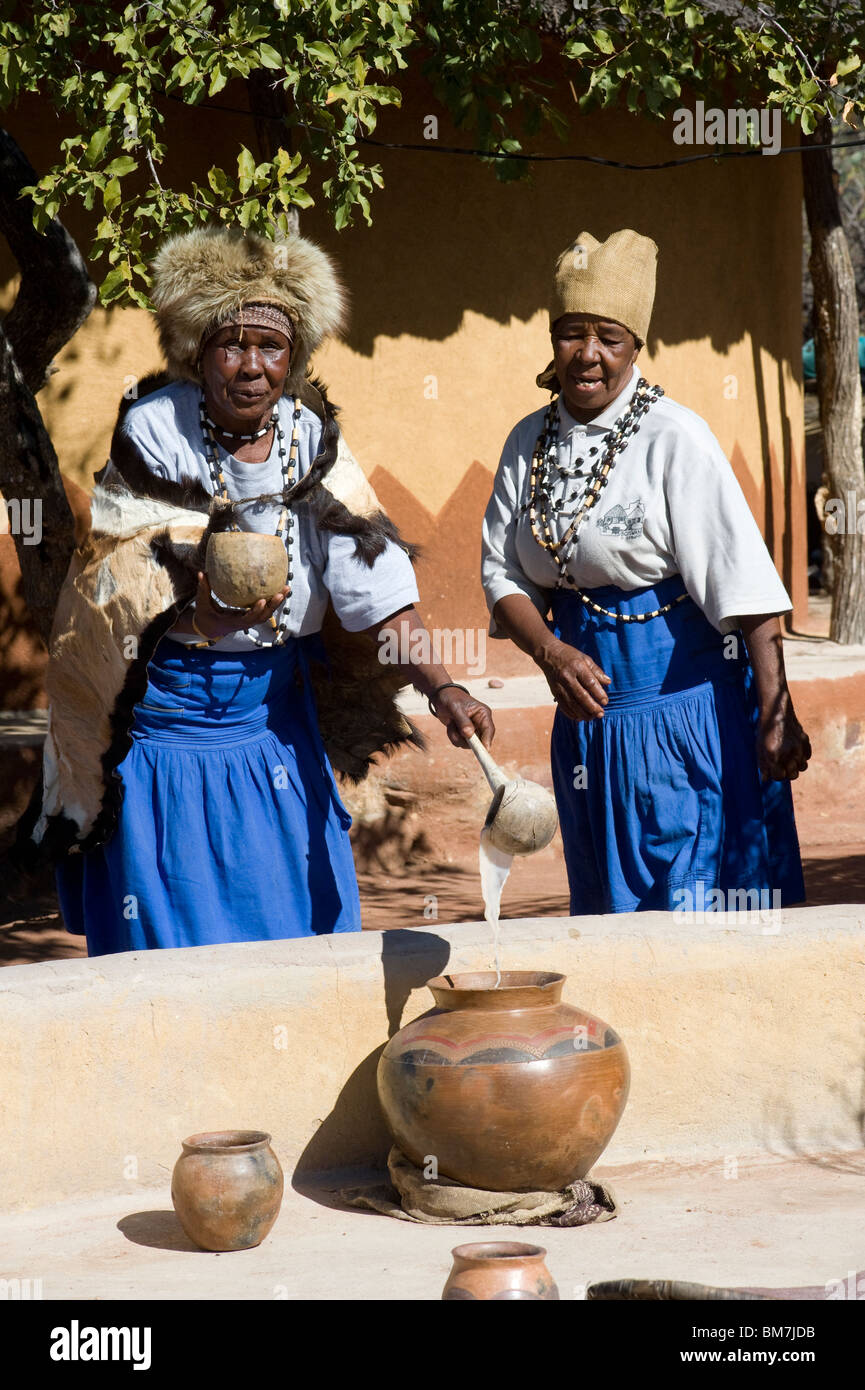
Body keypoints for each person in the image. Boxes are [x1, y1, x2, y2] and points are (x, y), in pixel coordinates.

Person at [34, 226, 493, 954]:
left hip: (275, 733)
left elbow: (374, 584)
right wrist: (201, 614)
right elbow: (123, 575)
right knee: (171, 942)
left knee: (295, 934)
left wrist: (442, 689)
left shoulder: (310, 439)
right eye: (231, 344)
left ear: (294, 357)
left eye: (271, 347)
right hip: (165, 743)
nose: (252, 367)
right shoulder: (155, 432)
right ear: (196, 352)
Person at [481, 229, 810, 916]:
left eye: (610, 337)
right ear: (552, 340)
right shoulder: (525, 443)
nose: (589, 354)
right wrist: (547, 651)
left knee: (684, 913)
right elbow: (502, 572)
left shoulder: (673, 437)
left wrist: (776, 714)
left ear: (635, 346)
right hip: (587, 730)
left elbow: (744, 588)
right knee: (608, 921)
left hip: (684, 721)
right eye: (573, 334)